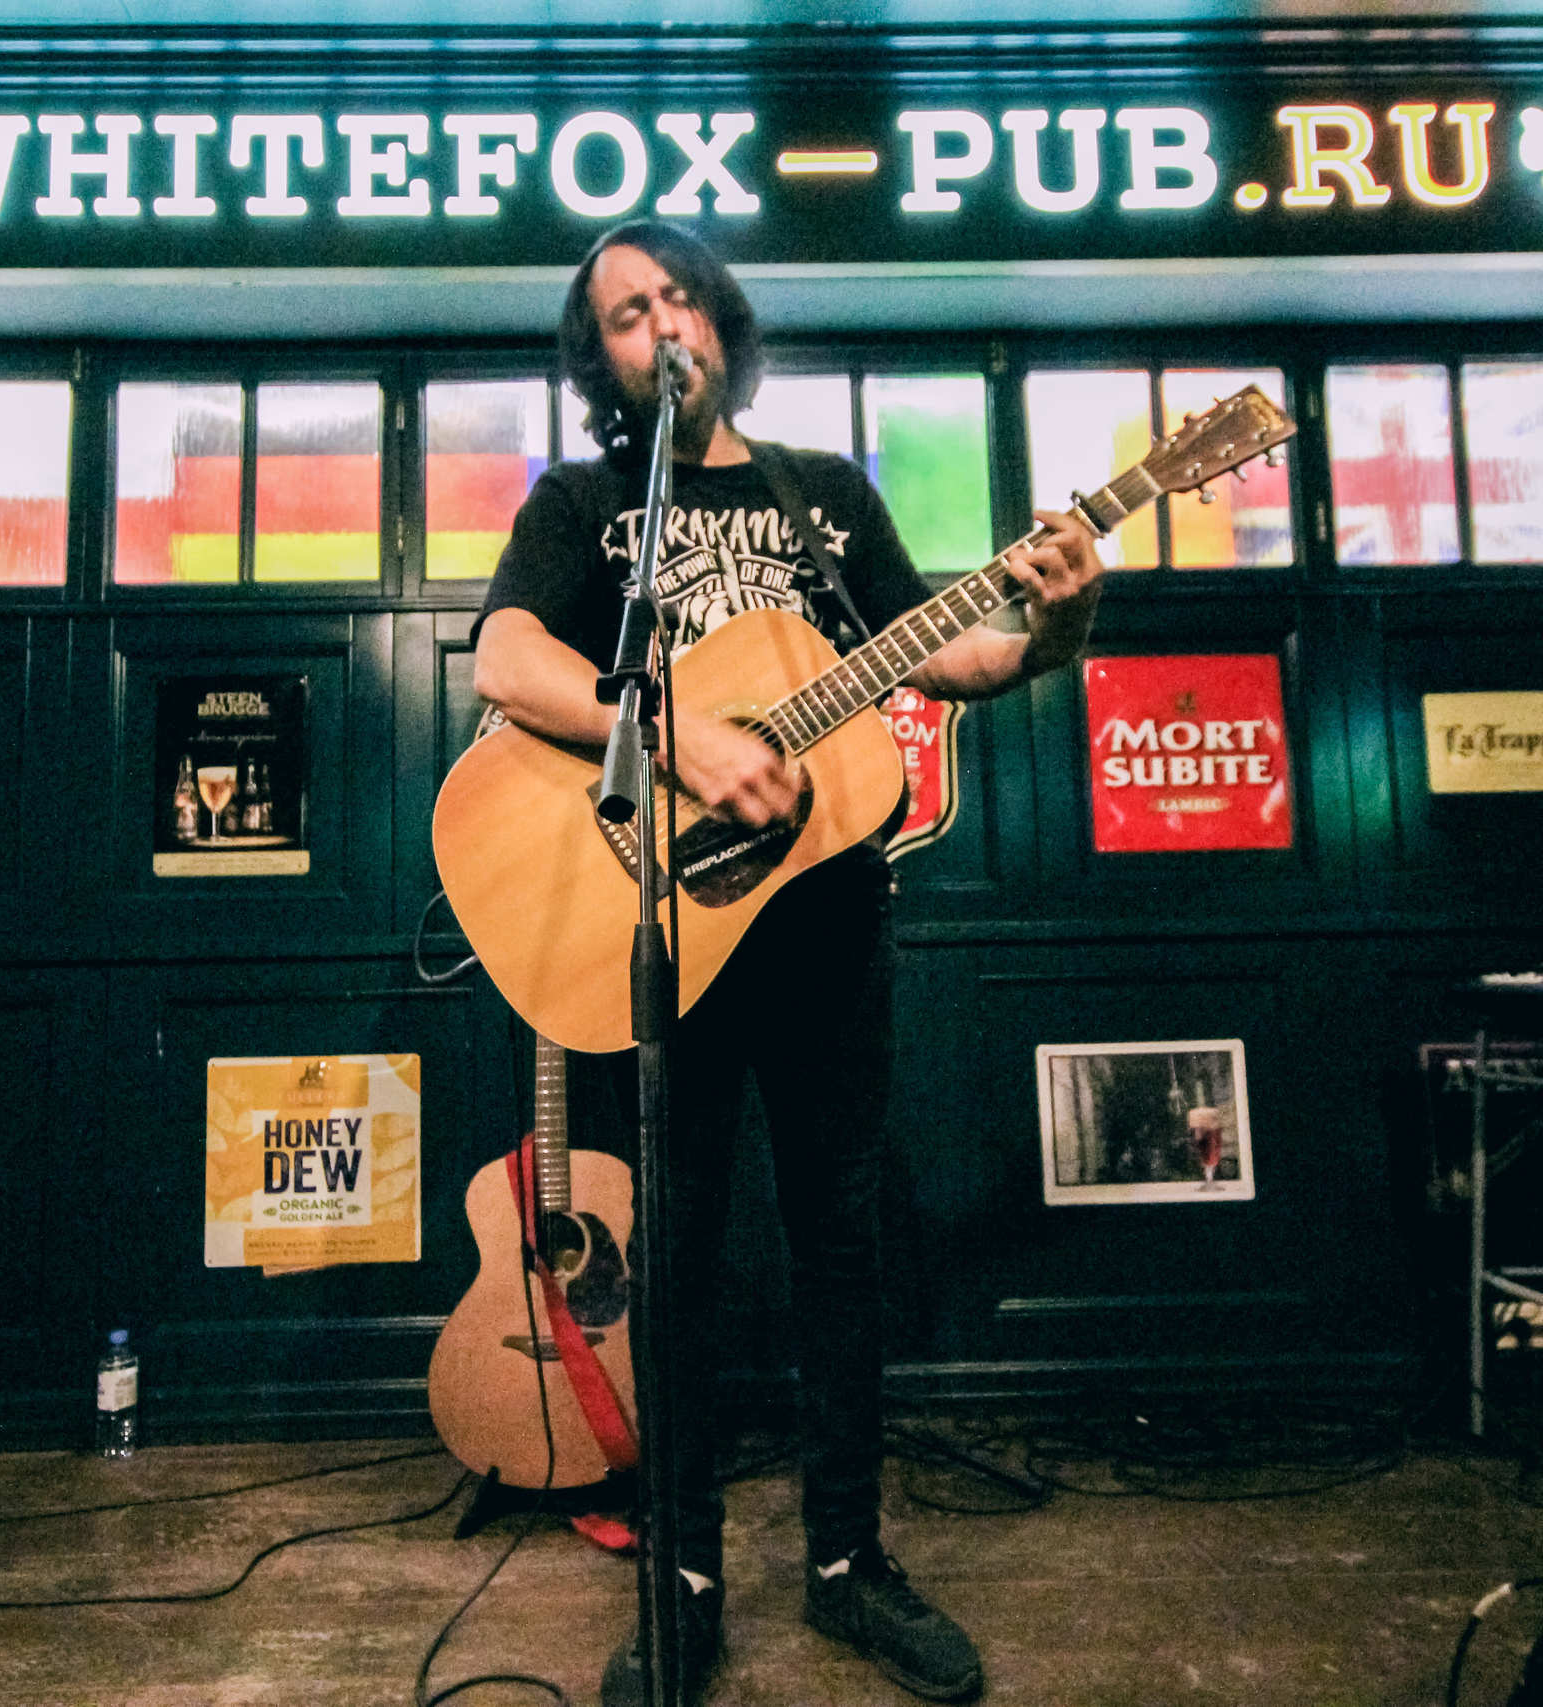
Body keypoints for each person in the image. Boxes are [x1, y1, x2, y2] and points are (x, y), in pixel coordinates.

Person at [470, 220, 1109, 1706]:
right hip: (658, 931)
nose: (659, 325)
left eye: (677, 295)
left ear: (722, 319)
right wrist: (682, 736)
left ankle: (847, 1563)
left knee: (838, 1236)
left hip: (825, 917)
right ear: (602, 358)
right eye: (625, 314)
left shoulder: (823, 498)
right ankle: (679, 1577)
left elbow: (942, 654)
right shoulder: (581, 506)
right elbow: (508, 659)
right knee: (678, 1248)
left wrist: (1062, 620)